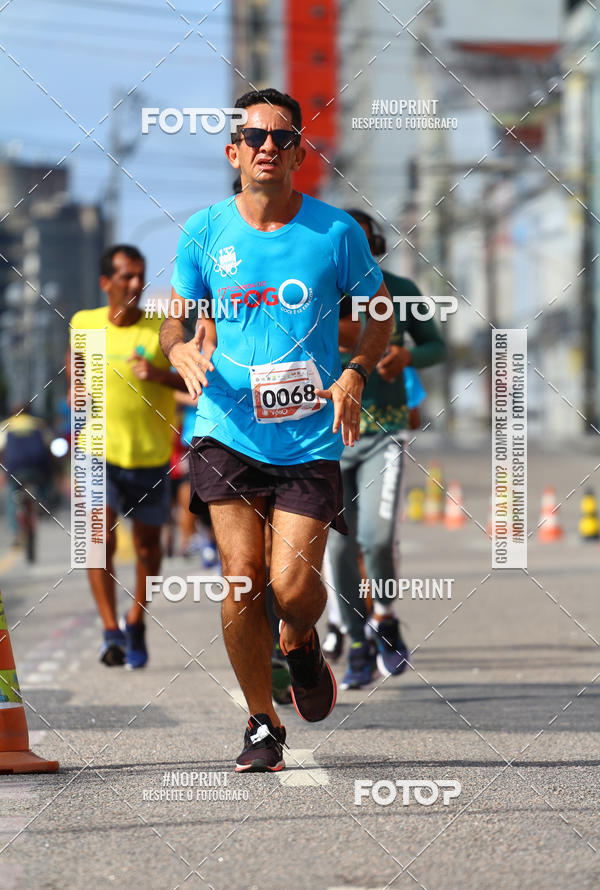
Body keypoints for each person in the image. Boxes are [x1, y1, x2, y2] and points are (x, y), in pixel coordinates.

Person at [160, 88, 393, 772]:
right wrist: (177, 349)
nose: (269, 146)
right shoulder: (204, 232)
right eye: (256, 137)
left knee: (291, 590)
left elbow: (379, 313)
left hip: (308, 434)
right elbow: (177, 317)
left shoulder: (334, 234)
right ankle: (262, 724)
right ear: (234, 152)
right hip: (225, 427)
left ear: (300, 153)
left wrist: (354, 373)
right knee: (242, 580)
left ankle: (299, 640)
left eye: (283, 138)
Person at [326, 209, 446, 689]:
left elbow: (437, 345)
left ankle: (387, 616)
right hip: (327, 439)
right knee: (338, 551)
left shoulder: (400, 290)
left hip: (385, 433)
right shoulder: (315, 292)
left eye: (363, 242)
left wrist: (408, 355)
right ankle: (356, 643)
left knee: (374, 539)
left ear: (375, 245)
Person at [69, 245, 185, 668]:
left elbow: (190, 376)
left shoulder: (161, 328)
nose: (136, 284)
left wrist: (156, 374)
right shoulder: (85, 323)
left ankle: (135, 620)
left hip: (151, 457)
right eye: (126, 277)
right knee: (96, 544)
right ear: (106, 284)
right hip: (95, 454)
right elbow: (76, 375)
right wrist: (75, 394)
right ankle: (110, 631)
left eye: (140, 275)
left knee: (149, 549)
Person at [0, 404, 52, 545]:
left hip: (14, 468)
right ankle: (43, 503)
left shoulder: (7, 425)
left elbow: (1, 449)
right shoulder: (38, 424)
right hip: (37, 466)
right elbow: (49, 445)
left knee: (12, 498)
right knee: (46, 481)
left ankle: (16, 532)